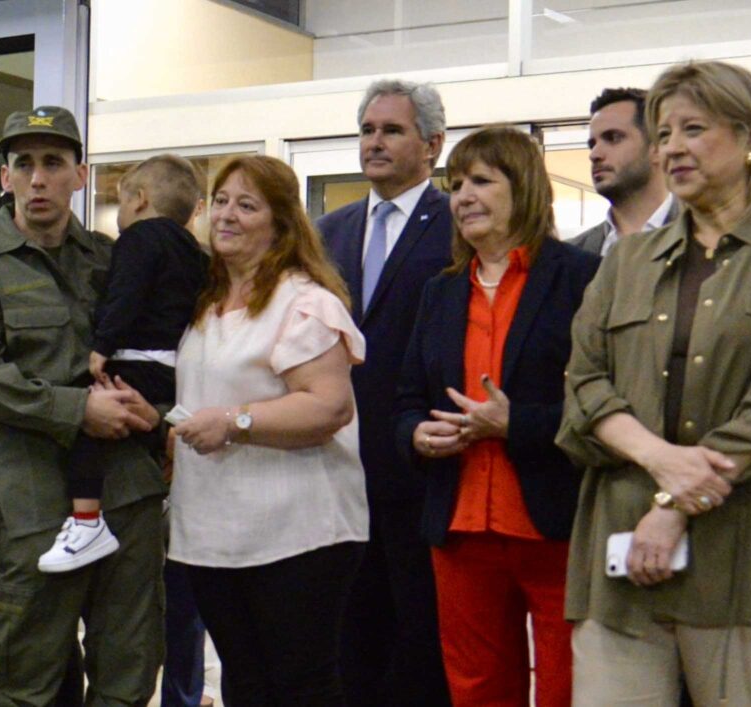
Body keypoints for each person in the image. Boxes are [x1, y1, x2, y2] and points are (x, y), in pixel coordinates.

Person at [557, 60, 751, 706]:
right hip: (620, 568)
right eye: (663, 134)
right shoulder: (625, 260)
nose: (672, 149)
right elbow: (582, 386)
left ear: (749, 136)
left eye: (693, 128)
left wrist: (673, 508)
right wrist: (661, 462)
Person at [0, 105, 167, 705]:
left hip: (128, 489)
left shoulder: (112, 259)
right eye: (25, 164)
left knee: (129, 666)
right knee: (27, 671)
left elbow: (157, 346)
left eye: (54, 163)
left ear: (80, 176)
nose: (39, 178)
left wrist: (153, 411)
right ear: (5, 177)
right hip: (32, 490)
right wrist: (75, 410)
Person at [393, 125, 599, 705]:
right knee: (477, 688)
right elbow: (407, 399)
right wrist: (418, 435)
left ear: (525, 188)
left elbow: (605, 403)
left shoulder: (579, 278)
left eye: (482, 180)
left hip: (554, 523)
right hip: (459, 528)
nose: (462, 196)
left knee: (566, 688)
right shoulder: (440, 291)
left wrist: (517, 424)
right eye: (456, 184)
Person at [170, 154, 368, 706]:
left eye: (247, 205)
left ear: (281, 224)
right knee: (246, 684)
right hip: (216, 532)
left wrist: (235, 423)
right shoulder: (206, 304)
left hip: (297, 534)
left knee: (300, 686)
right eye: (223, 201)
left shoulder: (304, 302)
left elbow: (329, 408)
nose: (227, 215)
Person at [317, 78, 452, 707]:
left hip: (419, 470)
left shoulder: (456, 221)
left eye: (391, 130)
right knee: (348, 643)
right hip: (336, 472)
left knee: (421, 646)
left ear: (433, 144)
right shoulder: (329, 231)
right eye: (368, 130)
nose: (374, 142)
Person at [39, 153, 208, 573]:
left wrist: (102, 344)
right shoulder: (198, 254)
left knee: (86, 419)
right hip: (173, 371)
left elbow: (126, 295)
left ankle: (86, 520)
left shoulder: (138, 239)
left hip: (132, 359)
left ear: (138, 200)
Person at [571, 87, 679, 255]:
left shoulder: (708, 240)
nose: (594, 154)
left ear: (658, 148)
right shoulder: (571, 256)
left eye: (613, 138)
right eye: (592, 144)